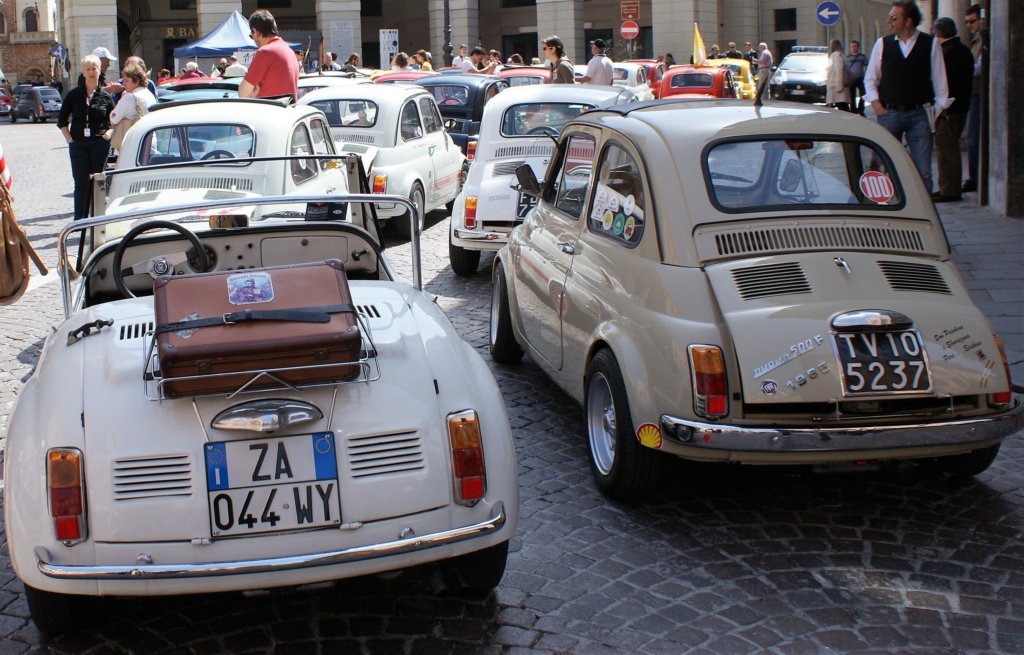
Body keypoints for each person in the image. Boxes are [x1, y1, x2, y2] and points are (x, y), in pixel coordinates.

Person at [864, 0, 950, 194]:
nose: (889, 21)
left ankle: (922, 213)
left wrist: (939, 113)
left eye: (894, 18)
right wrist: (877, 105)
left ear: (907, 21)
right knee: (879, 164)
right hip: (889, 112)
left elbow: (940, 82)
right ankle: (874, 205)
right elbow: (870, 78)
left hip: (918, 114)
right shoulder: (883, 44)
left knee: (923, 170)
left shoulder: (930, 44)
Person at [58, 54, 115, 220]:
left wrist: (107, 135)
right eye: (88, 69)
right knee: (81, 181)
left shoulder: (105, 96)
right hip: (79, 144)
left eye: (94, 68)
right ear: (83, 72)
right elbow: (62, 120)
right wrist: (70, 141)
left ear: (99, 71)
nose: (91, 72)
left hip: (99, 144)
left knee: (98, 181)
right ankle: (80, 219)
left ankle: (98, 217)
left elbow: (114, 121)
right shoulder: (74, 95)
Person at [931, 16, 974, 202]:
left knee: (947, 149)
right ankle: (946, 187)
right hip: (961, 104)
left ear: (938, 32)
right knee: (947, 147)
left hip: (949, 106)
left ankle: (950, 190)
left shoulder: (947, 52)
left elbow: (943, 82)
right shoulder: (963, 49)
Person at [239, 9, 299, 100]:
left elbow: (242, 93)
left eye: (251, 35)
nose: (253, 39)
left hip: (269, 111)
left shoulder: (264, 52)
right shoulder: (290, 51)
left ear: (255, 32)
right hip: (289, 111)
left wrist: (252, 96)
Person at [104, 63, 157, 154]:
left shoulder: (129, 97)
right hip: (149, 144)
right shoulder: (148, 93)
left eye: (126, 80)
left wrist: (121, 99)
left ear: (136, 81)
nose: (124, 84)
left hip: (131, 147)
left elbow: (113, 119)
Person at [962, 4, 983, 193]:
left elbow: (978, 68)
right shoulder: (975, 40)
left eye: (972, 21)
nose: (969, 25)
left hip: (980, 93)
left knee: (973, 137)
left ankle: (976, 177)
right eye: (966, 22)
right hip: (973, 92)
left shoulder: (983, 40)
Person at [825, 39, 852, 112]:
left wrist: (839, 87)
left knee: (842, 107)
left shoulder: (836, 56)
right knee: (842, 107)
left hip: (836, 87)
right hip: (837, 86)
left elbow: (839, 71)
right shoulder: (840, 55)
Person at [846, 40, 868, 114]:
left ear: (858, 47)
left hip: (860, 78)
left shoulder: (862, 57)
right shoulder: (847, 58)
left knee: (863, 94)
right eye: (852, 46)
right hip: (852, 79)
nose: (853, 48)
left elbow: (866, 66)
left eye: (855, 46)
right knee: (852, 96)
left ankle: (861, 110)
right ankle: (853, 110)